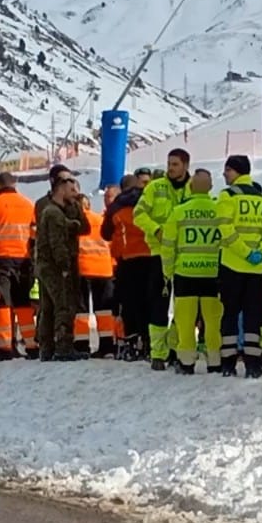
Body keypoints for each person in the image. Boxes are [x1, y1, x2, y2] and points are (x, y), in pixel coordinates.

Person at [133, 149, 193, 368]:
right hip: (159, 253)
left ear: (185, 165)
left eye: (175, 164)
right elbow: (139, 214)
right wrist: (156, 229)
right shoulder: (155, 188)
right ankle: (158, 353)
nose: (170, 168)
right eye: (169, 163)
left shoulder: (194, 188)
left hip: (186, 254)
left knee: (183, 304)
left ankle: (176, 348)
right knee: (158, 303)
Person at [214, 155, 262, 377]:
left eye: (227, 170)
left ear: (236, 171)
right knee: (253, 316)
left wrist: (245, 253)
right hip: (256, 269)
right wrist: (260, 253)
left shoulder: (227, 197)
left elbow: (225, 231)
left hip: (232, 265)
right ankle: (253, 364)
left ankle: (228, 363)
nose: (224, 175)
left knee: (230, 314)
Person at [160, 169, 223, 374]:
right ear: (211, 187)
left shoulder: (179, 212)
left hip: (185, 274)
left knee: (185, 322)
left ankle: (186, 362)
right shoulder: (219, 211)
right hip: (213, 274)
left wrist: (168, 271)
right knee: (213, 321)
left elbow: (168, 245)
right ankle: (215, 360)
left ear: (191, 187)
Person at [0, 172, 37, 362]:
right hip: (25, 261)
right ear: (15, 185)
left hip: (1, 261)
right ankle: (31, 345)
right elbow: (35, 234)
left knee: (2, 303)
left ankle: (4, 348)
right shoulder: (28, 204)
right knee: (23, 304)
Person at [103, 173, 158, 362]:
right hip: (151, 255)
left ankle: (132, 342)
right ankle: (149, 341)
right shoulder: (149, 202)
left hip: (127, 259)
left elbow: (106, 233)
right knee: (149, 301)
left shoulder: (116, 207)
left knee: (129, 302)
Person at [34, 174, 89, 361]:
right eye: (70, 189)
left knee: (48, 307)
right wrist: (64, 266)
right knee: (63, 305)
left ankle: (47, 348)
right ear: (61, 188)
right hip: (55, 266)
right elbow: (57, 243)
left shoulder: (52, 211)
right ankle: (63, 347)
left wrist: (75, 214)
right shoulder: (53, 213)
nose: (74, 192)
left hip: (45, 266)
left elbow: (81, 227)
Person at [76, 194, 116, 357]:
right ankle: (107, 345)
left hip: (82, 269)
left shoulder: (76, 223)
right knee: (104, 310)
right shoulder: (101, 220)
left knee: (81, 310)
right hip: (104, 269)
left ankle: (81, 345)